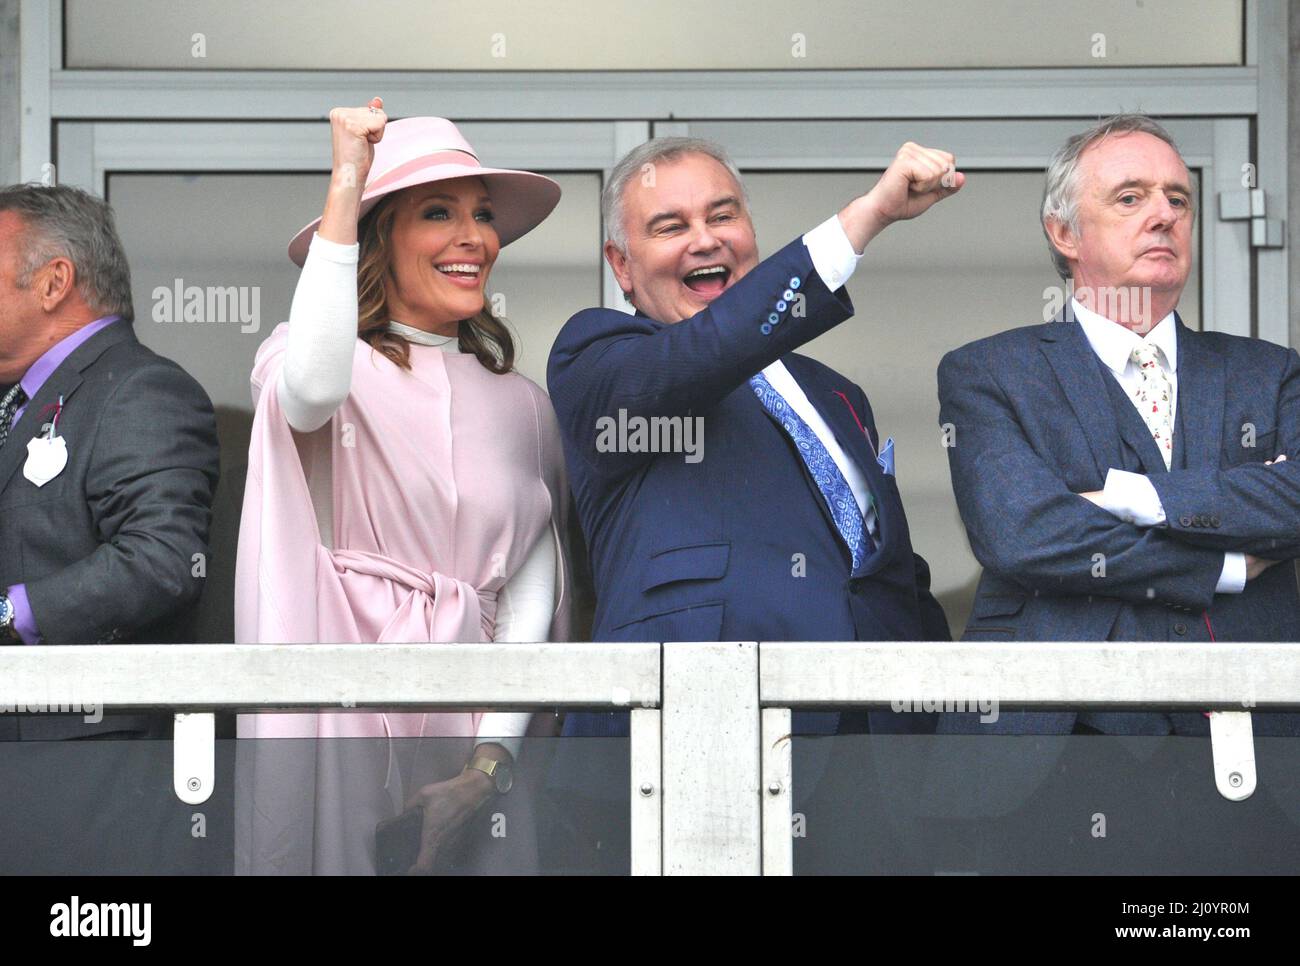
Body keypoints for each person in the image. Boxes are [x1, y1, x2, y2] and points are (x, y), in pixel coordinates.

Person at [545, 137, 958, 867]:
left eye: (722, 214)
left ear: (752, 235)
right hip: (692, 754)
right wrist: (865, 218)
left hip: (873, 774)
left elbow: (896, 577)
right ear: (621, 266)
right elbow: (706, 354)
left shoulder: (836, 394)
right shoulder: (599, 359)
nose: (705, 239)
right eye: (670, 226)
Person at [924, 114, 1300, 870]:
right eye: (1130, 197)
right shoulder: (988, 372)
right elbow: (1021, 533)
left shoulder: (1270, 371)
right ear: (1064, 233)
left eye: (1177, 199)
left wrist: (1137, 498)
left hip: (1251, 748)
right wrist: (1220, 564)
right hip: (1045, 754)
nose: (1163, 213)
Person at [234, 99, 569, 875]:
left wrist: (488, 765)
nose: (473, 236)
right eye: (437, 212)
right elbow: (313, 389)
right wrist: (347, 178)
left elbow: (525, 594)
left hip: (471, 727)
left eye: (483, 215)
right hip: (339, 713)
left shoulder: (526, 404)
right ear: (380, 236)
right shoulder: (309, 358)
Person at [0, 183, 220, 873]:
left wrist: (11, 612)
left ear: (53, 282)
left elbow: (161, 559)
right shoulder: (19, 402)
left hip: (86, 776)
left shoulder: (140, 388)